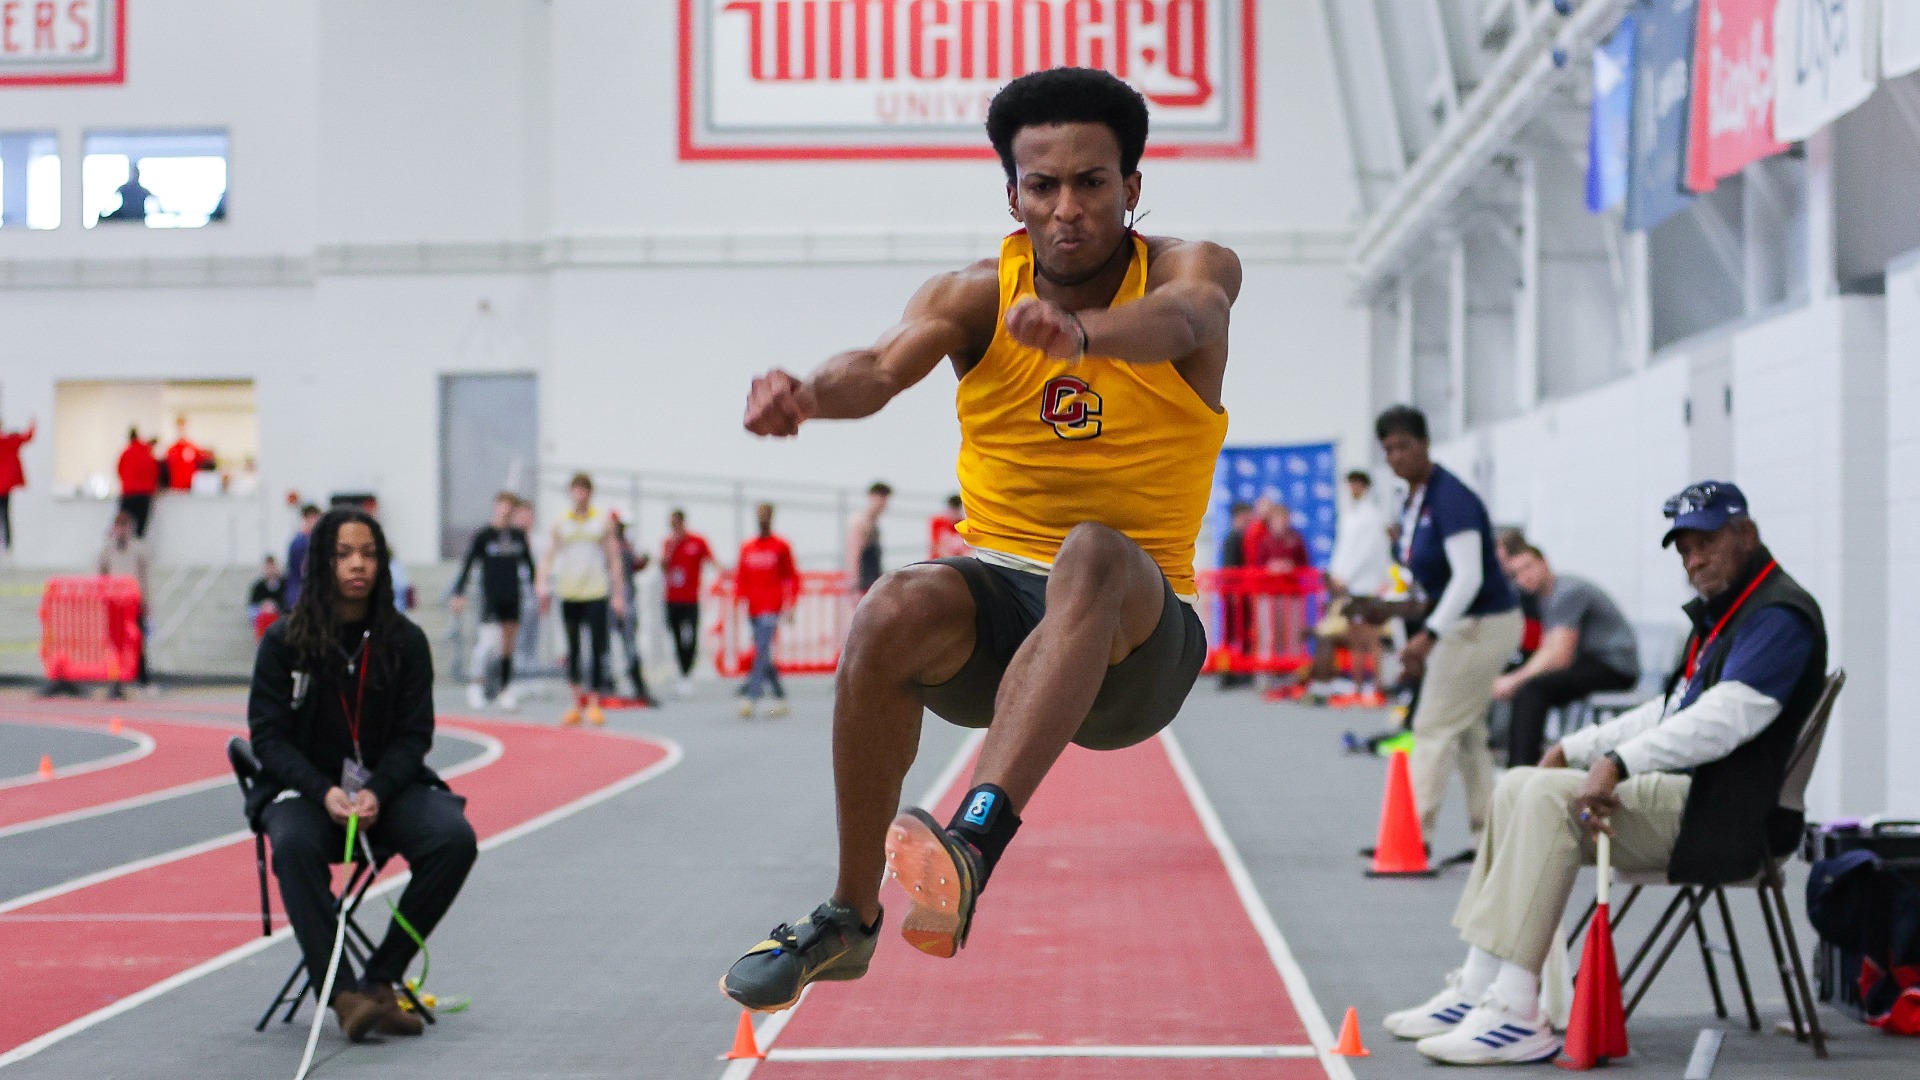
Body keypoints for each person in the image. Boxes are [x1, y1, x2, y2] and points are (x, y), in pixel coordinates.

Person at [722, 68, 1237, 1011]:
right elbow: (877, 366)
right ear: (1013, 195)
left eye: (1092, 182)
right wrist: (807, 395)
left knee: (1093, 548)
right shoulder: (972, 294)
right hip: (1001, 622)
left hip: (1138, 635)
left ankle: (974, 838)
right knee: (896, 603)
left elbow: (1189, 318)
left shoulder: (1187, 269)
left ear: (1134, 185)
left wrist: (1084, 336)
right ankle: (849, 917)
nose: (1068, 208)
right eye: (1043, 186)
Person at [1387, 482, 1826, 1065]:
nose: (1694, 560)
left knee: (1546, 800)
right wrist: (1578, 746)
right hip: (1696, 798)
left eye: (1708, 543)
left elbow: (1724, 722)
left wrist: (1618, 763)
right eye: (1685, 548)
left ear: (1745, 534)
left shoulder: (1778, 617)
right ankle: (1477, 985)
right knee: (1520, 782)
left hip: (1730, 818)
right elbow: (1673, 710)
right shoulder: (1729, 613)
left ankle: (1517, 1012)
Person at [246, 508, 478, 1044]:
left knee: (453, 839)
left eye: (369, 554)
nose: (358, 565)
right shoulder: (284, 642)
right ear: (322, 564)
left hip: (385, 792)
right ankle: (343, 993)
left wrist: (376, 790)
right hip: (307, 794)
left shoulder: (406, 643)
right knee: (293, 843)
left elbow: (414, 736)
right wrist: (322, 790)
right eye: (345, 554)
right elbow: (268, 738)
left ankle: (378, 978)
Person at [1354, 407, 1521, 856]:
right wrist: (1386, 609)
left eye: (1404, 445)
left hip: (1485, 624)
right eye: (1387, 449)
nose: (1395, 456)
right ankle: (1488, 839)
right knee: (1467, 736)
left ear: (1426, 444)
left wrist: (1426, 636)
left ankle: (1413, 837)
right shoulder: (1414, 502)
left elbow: (1468, 578)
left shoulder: (1452, 499)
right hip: (1464, 623)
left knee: (1431, 726)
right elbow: (1437, 585)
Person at [1493, 543, 1640, 766]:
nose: (1523, 577)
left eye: (1528, 567)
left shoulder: (1567, 592)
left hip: (1614, 666)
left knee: (1532, 689)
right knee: (1529, 684)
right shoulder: (1546, 598)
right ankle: (1523, 763)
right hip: (1591, 662)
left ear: (1544, 562)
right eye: (1516, 574)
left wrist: (1514, 681)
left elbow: (1559, 655)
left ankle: (1520, 769)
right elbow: (1549, 649)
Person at [537, 473, 624, 726]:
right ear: (570, 493)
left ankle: (595, 701)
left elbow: (614, 558)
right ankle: (576, 702)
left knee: (597, 647)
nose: (580, 495)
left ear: (590, 493)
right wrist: (541, 583)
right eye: (575, 490)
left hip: (596, 592)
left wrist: (618, 594)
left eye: (584, 490)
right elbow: (548, 556)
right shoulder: (561, 523)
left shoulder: (601, 523)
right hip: (570, 592)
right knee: (573, 648)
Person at [451, 492, 536, 710]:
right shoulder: (484, 535)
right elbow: (468, 564)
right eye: (502, 505)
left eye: (510, 507)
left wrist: (537, 591)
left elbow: (530, 566)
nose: (506, 510)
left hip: (512, 596)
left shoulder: (518, 536)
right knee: (488, 643)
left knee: (507, 646)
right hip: (491, 597)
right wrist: (459, 592)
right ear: (496, 506)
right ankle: (476, 685)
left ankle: (504, 689)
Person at [1324, 470, 1393, 704]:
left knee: (1371, 638)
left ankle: (1377, 685)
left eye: (1356, 484)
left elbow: (1367, 552)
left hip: (1367, 583)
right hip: (1350, 585)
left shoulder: (1372, 515)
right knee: (1354, 637)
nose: (1352, 489)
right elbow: (1344, 547)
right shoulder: (1350, 514)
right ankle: (1357, 685)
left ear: (1364, 486)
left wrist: (1346, 575)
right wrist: (1337, 574)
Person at [734, 502, 798, 719]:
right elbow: (741, 577)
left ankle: (751, 697)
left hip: (771, 606)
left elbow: (792, 576)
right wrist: (738, 602)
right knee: (763, 653)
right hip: (753, 607)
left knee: (761, 650)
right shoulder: (748, 547)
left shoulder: (780, 546)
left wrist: (791, 606)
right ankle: (780, 697)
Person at [661, 508, 717, 697]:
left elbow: (712, 561)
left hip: (691, 599)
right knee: (677, 638)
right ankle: (682, 672)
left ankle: (688, 671)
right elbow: (663, 566)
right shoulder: (669, 543)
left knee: (691, 638)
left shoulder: (697, 541)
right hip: (672, 599)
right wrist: (670, 550)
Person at [97, 511, 152, 698]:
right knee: (114, 644)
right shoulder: (107, 550)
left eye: (125, 526)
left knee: (138, 641)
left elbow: (144, 578)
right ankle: (116, 681)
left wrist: (146, 602)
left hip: (133, 602)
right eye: (118, 526)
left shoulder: (138, 549)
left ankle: (142, 679)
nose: (121, 531)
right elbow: (102, 575)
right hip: (114, 604)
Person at [610, 515, 659, 707]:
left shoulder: (626, 546)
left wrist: (644, 560)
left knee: (629, 643)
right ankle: (609, 682)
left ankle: (636, 683)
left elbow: (636, 566)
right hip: (614, 600)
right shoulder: (612, 547)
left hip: (627, 599)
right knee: (611, 644)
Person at [1216, 502, 1254, 688]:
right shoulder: (1233, 538)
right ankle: (1227, 673)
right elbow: (1230, 569)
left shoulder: (1242, 537)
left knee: (1240, 634)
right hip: (1234, 596)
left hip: (1240, 595)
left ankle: (1239, 670)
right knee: (1231, 636)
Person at [115, 428, 160, 538]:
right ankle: (135, 552)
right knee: (139, 531)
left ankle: (121, 551)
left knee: (122, 527)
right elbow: (155, 473)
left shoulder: (126, 452)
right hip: (144, 496)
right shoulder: (148, 452)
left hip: (128, 494)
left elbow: (119, 470)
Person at [849, 482, 891, 594]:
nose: (884, 504)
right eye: (881, 498)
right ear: (872, 497)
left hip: (874, 582)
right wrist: (854, 583)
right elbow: (854, 554)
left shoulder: (874, 524)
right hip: (863, 583)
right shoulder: (860, 522)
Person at [0, 415, 32, 552]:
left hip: (4, 486)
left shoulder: (8, 440)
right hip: (5, 487)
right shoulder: (9, 440)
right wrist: (32, 423)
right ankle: (7, 544)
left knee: (5, 514)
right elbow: (27, 436)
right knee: (5, 514)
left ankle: (7, 545)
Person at [285, 504, 322, 609]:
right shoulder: (299, 542)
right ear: (307, 519)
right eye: (313, 518)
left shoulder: (315, 540)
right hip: (300, 591)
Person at [163, 415, 206, 492]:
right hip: (175, 487)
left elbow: (202, 463)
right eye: (179, 426)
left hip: (190, 487)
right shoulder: (171, 449)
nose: (181, 428)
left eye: (183, 425)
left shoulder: (193, 447)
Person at [248, 555, 287, 638]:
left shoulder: (285, 584)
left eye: (272, 566)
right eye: (268, 567)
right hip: (263, 618)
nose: (270, 570)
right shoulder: (258, 586)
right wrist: (263, 606)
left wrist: (275, 607)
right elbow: (252, 606)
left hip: (280, 617)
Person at [929, 495, 970, 559]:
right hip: (939, 560)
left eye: (956, 511)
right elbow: (936, 546)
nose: (954, 513)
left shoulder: (965, 525)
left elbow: (968, 550)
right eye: (952, 510)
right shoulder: (938, 522)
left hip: (957, 561)